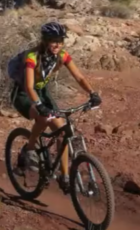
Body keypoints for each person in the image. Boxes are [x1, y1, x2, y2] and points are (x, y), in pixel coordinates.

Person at [9, 21, 101, 192]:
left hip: (42, 92)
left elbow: (79, 77)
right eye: (53, 40)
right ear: (45, 40)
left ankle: (64, 176)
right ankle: (29, 149)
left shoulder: (62, 56)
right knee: (44, 116)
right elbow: (29, 86)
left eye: (60, 40)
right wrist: (39, 105)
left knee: (63, 130)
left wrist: (92, 93)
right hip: (23, 94)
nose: (57, 44)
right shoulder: (32, 57)